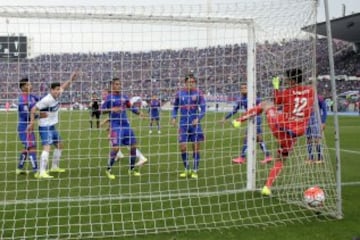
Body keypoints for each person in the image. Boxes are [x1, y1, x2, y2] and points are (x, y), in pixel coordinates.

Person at [232, 69, 315, 196]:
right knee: (281, 159)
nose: (285, 81)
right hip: (294, 133)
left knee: (265, 104)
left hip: (279, 127)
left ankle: (239, 120)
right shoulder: (311, 91)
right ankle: (267, 186)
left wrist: (276, 87)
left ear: (292, 80)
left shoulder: (287, 92)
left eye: (287, 79)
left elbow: (277, 101)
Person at [27, 71, 80, 179]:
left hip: (52, 126)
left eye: (58, 90)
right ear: (51, 90)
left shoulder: (58, 93)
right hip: (44, 127)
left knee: (60, 145)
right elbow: (33, 109)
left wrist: (71, 78)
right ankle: (42, 172)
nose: (57, 92)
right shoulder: (46, 100)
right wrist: (32, 122)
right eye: (55, 90)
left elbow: (64, 86)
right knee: (47, 148)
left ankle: (54, 167)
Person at [101, 78, 146, 180]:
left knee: (133, 146)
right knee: (116, 148)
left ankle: (131, 169)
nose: (119, 86)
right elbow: (101, 110)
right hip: (116, 126)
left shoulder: (124, 97)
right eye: (116, 84)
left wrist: (139, 113)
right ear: (112, 85)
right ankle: (108, 170)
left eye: (119, 84)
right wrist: (111, 109)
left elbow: (130, 107)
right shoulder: (109, 98)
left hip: (126, 125)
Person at [221, 83, 272, 164]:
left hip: (255, 119)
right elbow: (235, 110)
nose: (243, 89)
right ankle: (268, 156)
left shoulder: (253, 98)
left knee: (247, 138)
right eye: (242, 88)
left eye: (245, 87)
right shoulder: (242, 99)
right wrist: (226, 117)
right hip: (251, 119)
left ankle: (242, 157)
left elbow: (261, 106)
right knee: (259, 139)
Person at [171, 73, 206, 179]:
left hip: (195, 124)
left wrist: (198, 118)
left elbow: (203, 109)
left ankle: (195, 170)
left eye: (193, 82)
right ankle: (187, 169)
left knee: (195, 148)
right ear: (185, 83)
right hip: (183, 124)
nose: (191, 84)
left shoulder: (198, 93)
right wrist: (173, 117)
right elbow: (175, 107)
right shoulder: (179, 94)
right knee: (183, 147)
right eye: (189, 82)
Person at [17, 78, 39, 177]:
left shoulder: (32, 96)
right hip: (24, 127)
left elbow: (42, 101)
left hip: (28, 125)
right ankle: (36, 171)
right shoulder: (22, 99)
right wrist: (38, 116)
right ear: (23, 87)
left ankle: (19, 168)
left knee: (27, 147)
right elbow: (25, 114)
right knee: (32, 147)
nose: (31, 85)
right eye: (28, 84)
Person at [306, 94, 327, 164]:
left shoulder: (319, 97)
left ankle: (320, 157)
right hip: (307, 119)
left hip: (316, 119)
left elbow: (324, 110)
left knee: (316, 138)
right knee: (308, 139)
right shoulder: (306, 96)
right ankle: (310, 157)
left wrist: (323, 121)